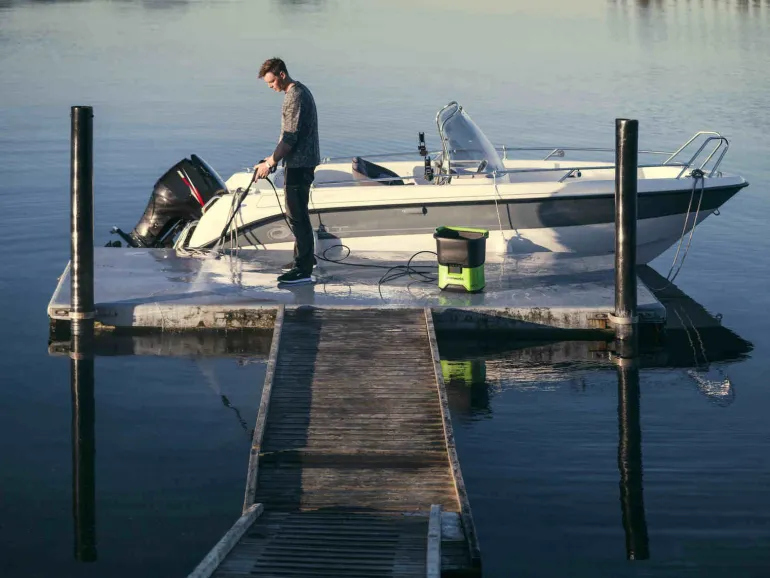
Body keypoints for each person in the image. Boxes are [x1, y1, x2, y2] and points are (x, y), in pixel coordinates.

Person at [254, 58, 320, 285]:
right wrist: (270, 158)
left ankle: (302, 270)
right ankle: (304, 259)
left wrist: (270, 163)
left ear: (282, 74)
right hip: (299, 162)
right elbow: (288, 136)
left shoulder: (294, 97)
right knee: (298, 213)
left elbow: (290, 138)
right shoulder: (299, 92)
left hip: (300, 165)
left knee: (297, 216)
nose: (271, 87)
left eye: (272, 82)